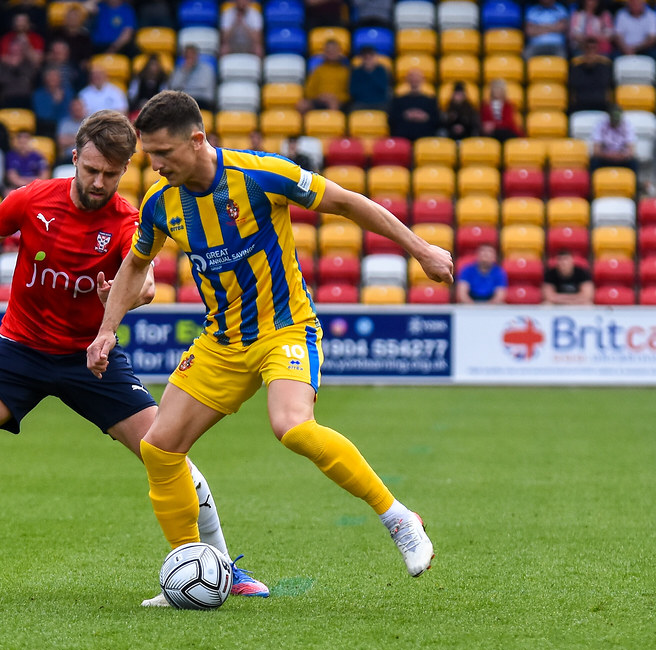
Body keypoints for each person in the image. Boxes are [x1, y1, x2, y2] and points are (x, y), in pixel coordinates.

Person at [0, 109, 269, 603]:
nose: (99, 182)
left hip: (91, 359)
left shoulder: (129, 220)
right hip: (20, 350)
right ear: (75, 157)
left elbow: (147, 284)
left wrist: (119, 297)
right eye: (91, 170)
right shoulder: (32, 199)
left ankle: (222, 566)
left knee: (163, 450)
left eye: (111, 174)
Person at [86, 92, 451, 600]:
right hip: (221, 342)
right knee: (160, 449)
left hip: (285, 329)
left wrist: (422, 249)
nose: (157, 164)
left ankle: (398, 518)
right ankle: (190, 572)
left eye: (164, 152)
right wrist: (108, 328)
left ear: (197, 140)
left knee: (292, 426)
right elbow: (136, 265)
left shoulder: (260, 174)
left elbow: (347, 203)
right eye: (150, 155)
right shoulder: (160, 203)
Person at [388, 69, 441, 142]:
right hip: (403, 137)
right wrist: (406, 115)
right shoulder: (398, 100)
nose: (414, 79)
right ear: (407, 80)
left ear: (423, 80)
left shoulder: (430, 101)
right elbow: (392, 119)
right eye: (412, 77)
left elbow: (437, 120)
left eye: (417, 77)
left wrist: (425, 117)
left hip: (425, 137)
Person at [298, 39, 350, 113]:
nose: (331, 53)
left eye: (334, 50)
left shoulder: (345, 71)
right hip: (319, 99)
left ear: (339, 52)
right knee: (302, 105)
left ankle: (331, 120)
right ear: (324, 53)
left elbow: (348, 94)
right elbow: (309, 91)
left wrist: (334, 97)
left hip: (338, 102)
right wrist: (321, 96)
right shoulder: (318, 70)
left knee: (333, 103)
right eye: (328, 51)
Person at [568, 37, 614, 113]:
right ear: (583, 49)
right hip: (580, 105)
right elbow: (573, 86)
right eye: (588, 48)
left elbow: (608, 86)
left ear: (598, 50)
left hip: (601, 105)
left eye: (593, 48)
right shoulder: (575, 66)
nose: (590, 51)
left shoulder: (605, 66)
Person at [168, 44, 216, 113]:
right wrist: (185, 72)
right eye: (188, 56)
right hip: (184, 100)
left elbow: (202, 86)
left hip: (202, 100)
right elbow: (173, 86)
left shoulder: (207, 69)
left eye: (192, 55)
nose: (190, 58)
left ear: (197, 56)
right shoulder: (180, 70)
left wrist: (183, 88)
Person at [590, 105, 638, 174]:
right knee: (594, 161)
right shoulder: (600, 125)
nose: (615, 120)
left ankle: (633, 181)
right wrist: (609, 155)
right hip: (605, 157)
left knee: (634, 162)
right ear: (609, 116)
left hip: (621, 158)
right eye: (613, 117)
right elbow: (596, 151)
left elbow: (631, 151)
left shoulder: (628, 125)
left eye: (617, 118)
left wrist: (620, 156)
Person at [349, 46, 391, 111]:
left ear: (375, 57)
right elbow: (353, 91)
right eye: (366, 58)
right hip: (361, 103)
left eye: (370, 57)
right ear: (361, 58)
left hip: (380, 103)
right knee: (352, 110)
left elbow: (383, 88)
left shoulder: (382, 70)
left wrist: (370, 73)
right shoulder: (356, 72)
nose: (368, 60)